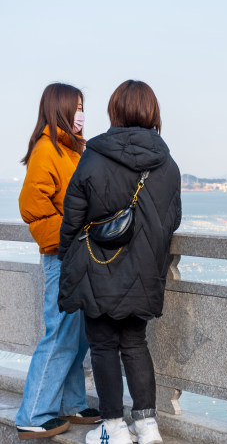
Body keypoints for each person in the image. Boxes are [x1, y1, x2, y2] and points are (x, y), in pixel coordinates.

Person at [58, 80, 181, 444]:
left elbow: (73, 216)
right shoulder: (168, 164)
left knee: (103, 344)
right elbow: (172, 220)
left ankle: (112, 427)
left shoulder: (93, 156)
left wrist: (69, 256)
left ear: (115, 110)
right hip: (144, 270)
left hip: (98, 265)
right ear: (152, 112)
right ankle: (147, 425)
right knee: (135, 343)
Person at [15, 83, 101, 440]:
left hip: (77, 256)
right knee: (61, 334)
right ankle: (33, 412)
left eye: (83, 107)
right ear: (60, 108)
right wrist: (65, 243)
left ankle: (71, 403)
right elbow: (32, 208)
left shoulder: (72, 150)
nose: (81, 113)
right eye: (76, 107)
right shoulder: (47, 150)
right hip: (61, 256)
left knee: (78, 335)